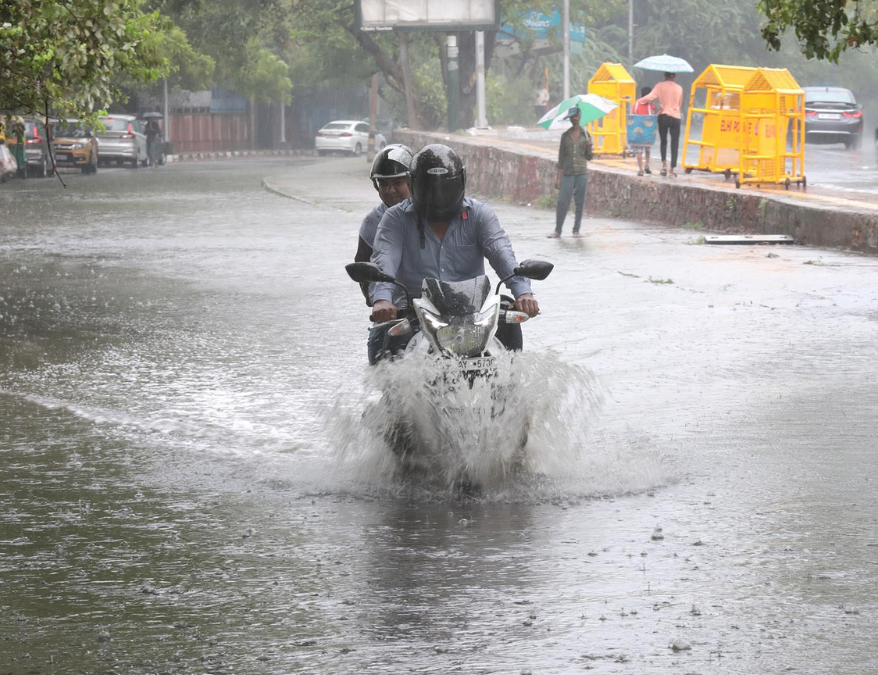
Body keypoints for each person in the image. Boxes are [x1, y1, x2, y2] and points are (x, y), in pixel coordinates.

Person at [368, 144, 538, 363]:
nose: (438, 197)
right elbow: (385, 260)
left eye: (444, 188)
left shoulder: (479, 215)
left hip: (474, 315)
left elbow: (502, 253)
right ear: (414, 184)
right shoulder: (395, 219)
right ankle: (393, 397)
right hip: (416, 313)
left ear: (461, 182)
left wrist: (524, 293)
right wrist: (382, 300)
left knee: (508, 322)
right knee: (382, 344)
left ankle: (509, 389)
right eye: (430, 189)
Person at [354, 144, 415, 304]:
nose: (390, 190)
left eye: (397, 183)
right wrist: (376, 300)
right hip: (392, 310)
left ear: (413, 181)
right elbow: (362, 264)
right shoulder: (371, 222)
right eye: (384, 184)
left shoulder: (430, 214)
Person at [549, 106, 592, 239]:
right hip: (567, 173)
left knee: (580, 202)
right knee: (562, 202)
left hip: (581, 173)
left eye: (575, 116)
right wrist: (558, 178)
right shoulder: (565, 136)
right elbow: (561, 158)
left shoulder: (586, 135)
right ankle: (558, 230)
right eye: (571, 117)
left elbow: (589, 157)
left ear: (579, 116)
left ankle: (576, 230)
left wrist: (589, 147)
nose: (574, 119)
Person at [636, 72, 683, 178]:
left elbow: (649, 97)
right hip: (676, 117)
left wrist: (638, 101)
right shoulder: (679, 88)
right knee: (674, 143)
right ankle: (672, 170)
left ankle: (664, 166)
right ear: (675, 76)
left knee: (664, 141)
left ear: (664, 76)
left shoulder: (660, 85)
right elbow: (679, 104)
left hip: (664, 116)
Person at [631, 87, 656, 176]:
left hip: (638, 131)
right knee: (647, 149)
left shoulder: (636, 104)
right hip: (647, 131)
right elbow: (653, 117)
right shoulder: (650, 105)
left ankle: (641, 169)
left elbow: (632, 117)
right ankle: (647, 165)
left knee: (639, 150)